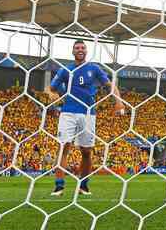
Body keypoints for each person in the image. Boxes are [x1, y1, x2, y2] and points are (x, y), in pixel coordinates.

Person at [48, 39, 124, 196]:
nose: (80, 49)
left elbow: (111, 85)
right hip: (68, 111)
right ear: (73, 51)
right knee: (64, 146)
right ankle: (59, 186)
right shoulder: (65, 70)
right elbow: (51, 89)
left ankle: (83, 185)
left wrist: (119, 102)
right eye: (77, 47)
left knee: (87, 151)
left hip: (88, 113)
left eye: (82, 47)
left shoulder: (94, 69)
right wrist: (53, 97)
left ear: (86, 51)